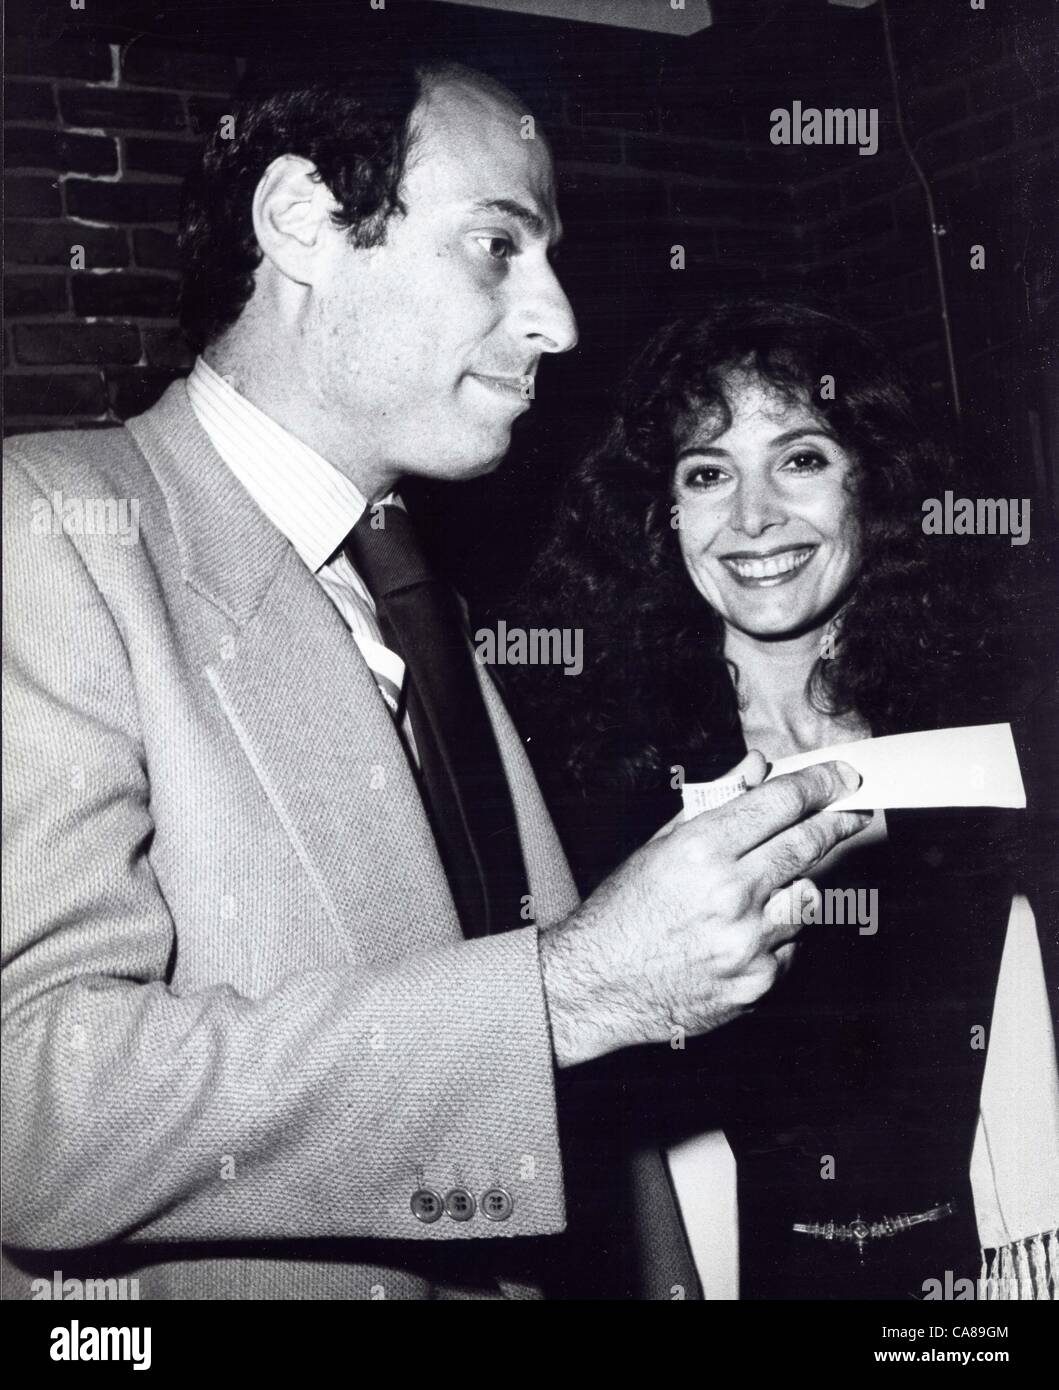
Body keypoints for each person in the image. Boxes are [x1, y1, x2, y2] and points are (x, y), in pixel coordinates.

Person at [0, 64, 871, 1302]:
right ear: (302, 219)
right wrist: (571, 991)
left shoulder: (411, 584)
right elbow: (35, 1112)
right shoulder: (48, 529)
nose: (559, 321)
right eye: (498, 244)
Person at [511, 300, 1059, 1300]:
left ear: (874, 487)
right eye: (708, 473)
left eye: (800, 459)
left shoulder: (995, 755)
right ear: (661, 512)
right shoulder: (601, 794)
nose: (753, 518)